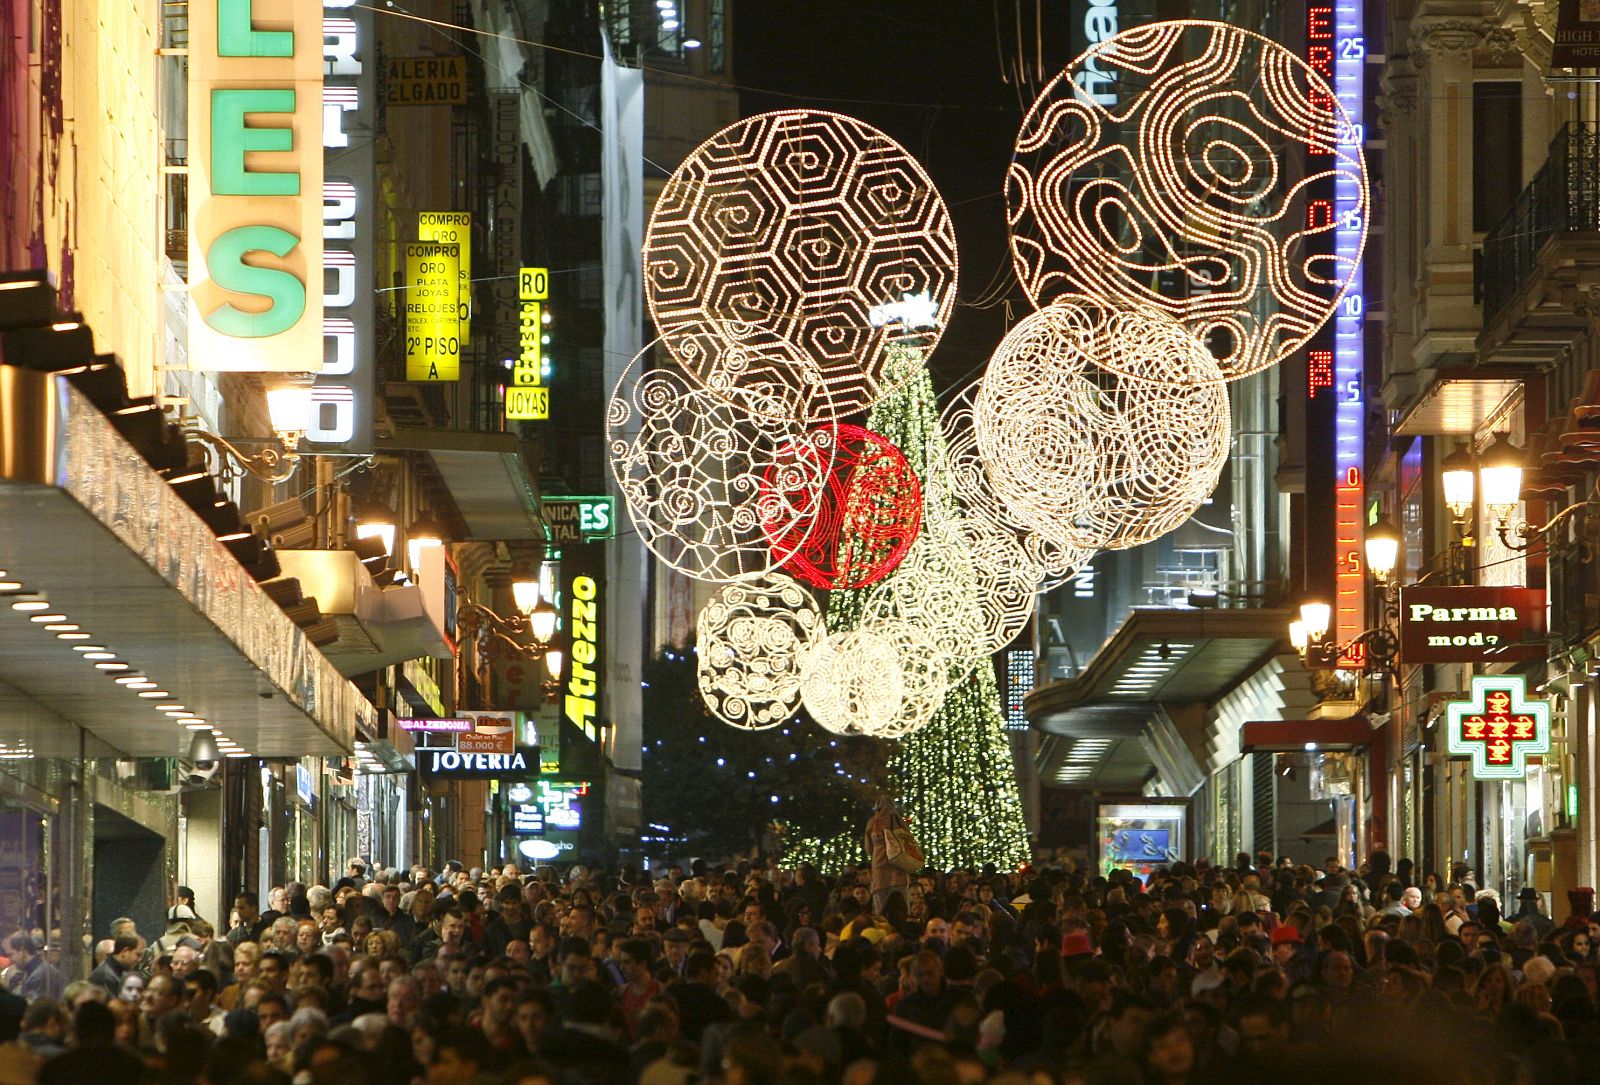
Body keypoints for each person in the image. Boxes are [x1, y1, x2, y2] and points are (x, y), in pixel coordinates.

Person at [864, 794, 914, 915]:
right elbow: (909, 841)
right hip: (899, 867)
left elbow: (868, 849)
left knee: (880, 908)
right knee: (901, 907)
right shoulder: (898, 821)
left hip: (879, 871)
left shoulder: (872, 823)